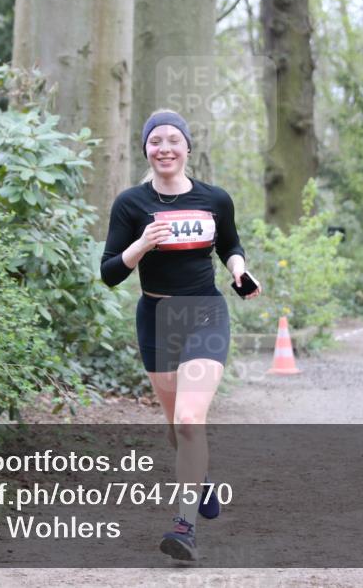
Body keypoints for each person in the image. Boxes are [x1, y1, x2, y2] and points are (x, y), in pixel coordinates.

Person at [100, 109, 261, 561]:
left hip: (205, 312)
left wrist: (239, 271)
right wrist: (141, 244)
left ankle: (183, 526)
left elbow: (230, 244)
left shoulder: (215, 199)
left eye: (174, 140)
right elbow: (110, 273)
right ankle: (202, 477)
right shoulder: (130, 204)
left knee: (190, 419)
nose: (165, 148)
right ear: (146, 149)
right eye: (155, 141)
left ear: (188, 147)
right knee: (177, 428)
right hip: (155, 318)